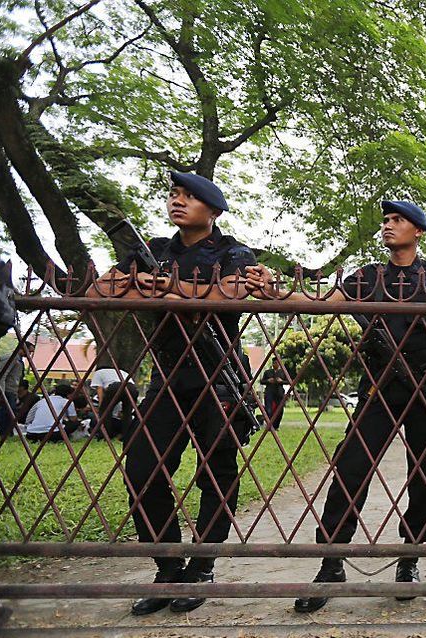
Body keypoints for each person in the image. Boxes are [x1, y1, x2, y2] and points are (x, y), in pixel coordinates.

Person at [88, 171, 272, 615]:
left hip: (220, 376)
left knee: (217, 472)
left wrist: (172, 289)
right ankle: (168, 568)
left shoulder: (233, 252)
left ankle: (203, 566)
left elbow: (229, 297)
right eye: (173, 195)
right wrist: (137, 285)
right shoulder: (151, 250)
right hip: (168, 377)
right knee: (143, 470)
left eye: (189, 197)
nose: (178, 201)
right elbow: (96, 291)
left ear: (213, 211)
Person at [294, 200, 426, 613]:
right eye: (386, 220)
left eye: (397, 220)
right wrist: (278, 290)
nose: (388, 226)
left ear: (418, 230)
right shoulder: (367, 276)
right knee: (352, 465)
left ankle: (410, 557)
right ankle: (331, 561)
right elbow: (323, 301)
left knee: (425, 472)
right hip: (378, 382)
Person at [89, 363, 138, 440]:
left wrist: (101, 405)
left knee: (105, 412)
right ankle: (127, 436)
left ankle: (106, 435)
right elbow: (132, 386)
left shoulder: (98, 372)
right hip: (131, 387)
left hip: (115, 387)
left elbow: (99, 389)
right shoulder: (122, 371)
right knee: (127, 413)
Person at [0, 340, 34, 437]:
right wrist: (1, 392)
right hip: (6, 390)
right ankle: (6, 432)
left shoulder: (19, 360)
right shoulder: (11, 358)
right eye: (29, 351)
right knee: (8, 411)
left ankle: (6, 433)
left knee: (10, 412)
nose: (30, 354)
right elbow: (2, 375)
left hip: (12, 390)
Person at [260, 358, 287, 429]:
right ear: (272, 364)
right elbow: (262, 381)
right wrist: (268, 381)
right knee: (268, 410)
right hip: (269, 392)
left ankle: (276, 425)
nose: (276, 364)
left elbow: (289, 381)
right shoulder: (268, 372)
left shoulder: (283, 372)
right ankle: (269, 425)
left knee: (280, 410)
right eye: (274, 363)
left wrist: (281, 381)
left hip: (279, 393)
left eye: (277, 363)